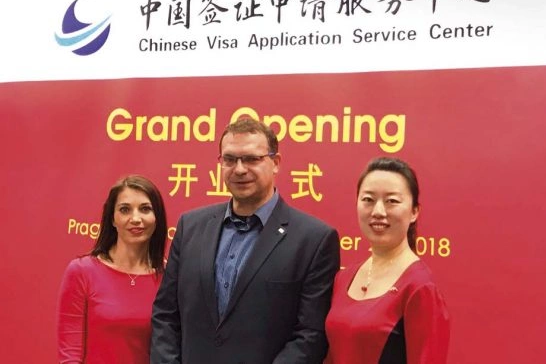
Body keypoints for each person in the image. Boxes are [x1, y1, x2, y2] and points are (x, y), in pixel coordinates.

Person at [151, 118, 341, 364]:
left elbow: (310, 335)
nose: (239, 169)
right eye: (230, 159)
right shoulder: (190, 226)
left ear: (275, 163)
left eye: (251, 159)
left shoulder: (314, 239)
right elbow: (165, 314)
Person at [325, 157, 450, 364]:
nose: (378, 212)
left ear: (414, 212)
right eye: (368, 199)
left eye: (391, 201)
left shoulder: (420, 287)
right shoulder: (343, 278)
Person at [57, 175, 168, 364]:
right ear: (112, 219)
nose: (135, 218)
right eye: (125, 210)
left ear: (157, 218)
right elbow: (70, 355)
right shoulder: (82, 271)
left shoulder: (169, 276)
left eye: (145, 209)